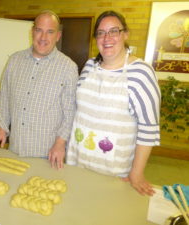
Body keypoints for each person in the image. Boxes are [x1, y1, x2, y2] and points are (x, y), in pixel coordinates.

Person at [66, 11, 161, 196]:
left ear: (125, 34)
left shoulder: (141, 72)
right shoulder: (89, 65)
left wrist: (137, 173)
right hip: (77, 161)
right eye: (101, 33)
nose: (106, 38)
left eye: (114, 31)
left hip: (114, 170)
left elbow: (148, 129)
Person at [0, 10, 79, 169]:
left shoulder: (68, 68)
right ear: (32, 31)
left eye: (50, 32)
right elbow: (5, 99)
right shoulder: (14, 61)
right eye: (39, 30)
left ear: (57, 36)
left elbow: (70, 112)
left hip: (48, 154)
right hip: (15, 149)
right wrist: (2, 128)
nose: (43, 38)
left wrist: (60, 143)